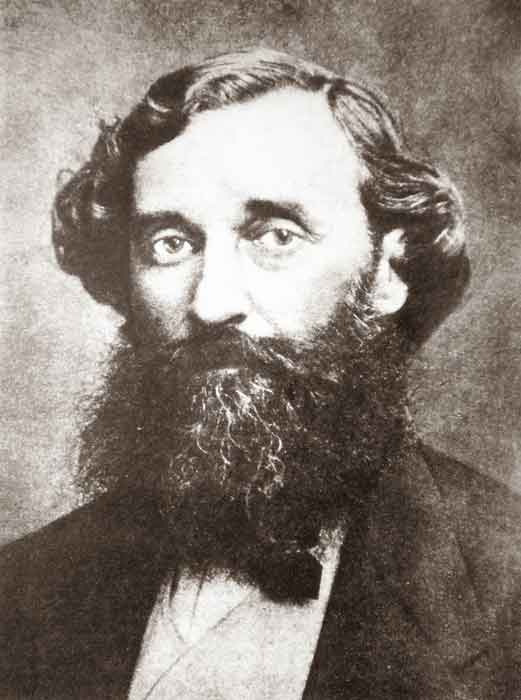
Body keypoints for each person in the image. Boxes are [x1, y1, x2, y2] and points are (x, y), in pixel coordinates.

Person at [1, 48, 519, 700]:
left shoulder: (506, 586)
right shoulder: (20, 592)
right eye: (170, 244)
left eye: (275, 235)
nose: (212, 302)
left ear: (386, 273)